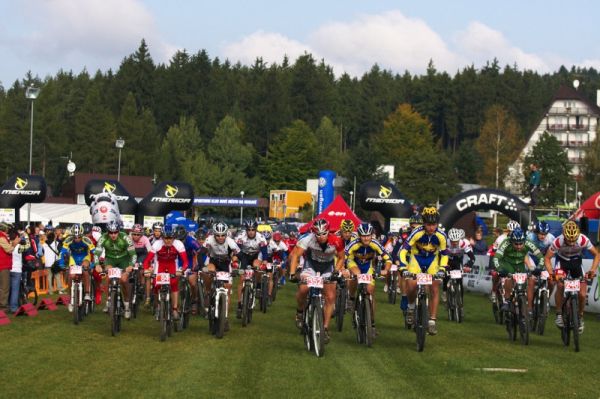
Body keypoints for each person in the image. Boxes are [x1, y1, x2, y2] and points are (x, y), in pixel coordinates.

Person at [288, 219, 345, 344]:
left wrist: (336, 271)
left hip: (328, 266)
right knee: (303, 289)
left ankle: (325, 328)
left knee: (330, 296)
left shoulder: (337, 240)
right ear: (314, 233)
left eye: (324, 233)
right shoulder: (307, 239)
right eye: (318, 234)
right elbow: (296, 255)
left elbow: (341, 258)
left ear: (328, 231)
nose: (321, 237)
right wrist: (292, 273)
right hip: (311, 265)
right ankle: (300, 312)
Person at [399, 207, 448, 335]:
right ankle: (410, 307)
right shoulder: (416, 233)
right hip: (417, 260)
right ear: (424, 223)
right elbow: (404, 251)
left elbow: (444, 254)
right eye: (428, 224)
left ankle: (432, 321)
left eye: (434, 224)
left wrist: (442, 269)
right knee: (411, 284)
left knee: (435, 287)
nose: (431, 227)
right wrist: (403, 267)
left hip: (432, 261)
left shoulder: (441, 235)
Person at [544, 221, 599, 333]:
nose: (572, 242)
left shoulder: (583, 239)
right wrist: (552, 274)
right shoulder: (558, 241)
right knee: (560, 285)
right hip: (562, 262)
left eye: (574, 240)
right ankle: (559, 313)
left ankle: (580, 316)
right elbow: (547, 258)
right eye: (569, 240)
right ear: (564, 236)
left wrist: (592, 269)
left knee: (582, 294)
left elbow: (597, 254)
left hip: (576, 263)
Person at [345, 222, 392, 337]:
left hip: (368, 266)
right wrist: (344, 269)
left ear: (372, 235)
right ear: (359, 236)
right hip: (354, 263)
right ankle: (351, 297)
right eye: (363, 236)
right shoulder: (353, 244)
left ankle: (372, 323)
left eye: (368, 235)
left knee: (370, 292)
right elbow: (344, 257)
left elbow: (388, 258)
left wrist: (386, 270)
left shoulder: (375, 244)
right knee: (357, 275)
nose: (366, 238)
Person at [493, 228, 544, 317]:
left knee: (531, 280)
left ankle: (529, 307)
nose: (519, 246)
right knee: (509, 277)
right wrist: (500, 269)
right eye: (516, 244)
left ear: (524, 241)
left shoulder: (529, 243)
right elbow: (496, 258)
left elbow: (541, 257)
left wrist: (539, 267)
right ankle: (507, 301)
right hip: (507, 263)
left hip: (520, 264)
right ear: (511, 241)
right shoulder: (506, 242)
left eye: (521, 243)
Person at [143, 225, 188, 320]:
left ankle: (175, 309)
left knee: (174, 284)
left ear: (174, 237)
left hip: (172, 264)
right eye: (165, 238)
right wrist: (146, 270)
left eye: (170, 238)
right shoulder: (157, 244)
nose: (168, 241)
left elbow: (185, 261)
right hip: (160, 264)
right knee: (156, 285)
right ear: (162, 237)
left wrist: (182, 270)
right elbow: (147, 260)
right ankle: (157, 306)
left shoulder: (178, 244)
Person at [93, 221, 136, 318]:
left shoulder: (125, 237)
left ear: (118, 231)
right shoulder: (103, 237)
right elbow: (97, 253)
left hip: (124, 260)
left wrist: (131, 265)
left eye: (115, 232)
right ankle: (108, 300)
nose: (113, 235)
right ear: (107, 232)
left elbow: (133, 254)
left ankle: (126, 305)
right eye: (111, 232)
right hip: (110, 260)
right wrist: (97, 265)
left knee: (124, 280)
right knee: (108, 277)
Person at [202, 222, 240, 331]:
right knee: (208, 271)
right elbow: (201, 253)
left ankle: (225, 317)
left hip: (225, 263)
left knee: (227, 289)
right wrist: (200, 266)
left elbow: (238, 253)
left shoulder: (230, 241)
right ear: (214, 234)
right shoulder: (209, 240)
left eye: (222, 235)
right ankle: (208, 292)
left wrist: (236, 263)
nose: (220, 238)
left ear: (226, 235)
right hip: (213, 261)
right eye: (217, 235)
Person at [234, 219, 268, 318]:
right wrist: (234, 261)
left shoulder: (261, 238)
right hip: (244, 256)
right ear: (246, 230)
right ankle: (240, 304)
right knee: (242, 279)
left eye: (253, 229)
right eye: (249, 229)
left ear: (256, 230)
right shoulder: (241, 236)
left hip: (256, 255)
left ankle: (257, 285)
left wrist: (264, 262)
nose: (251, 231)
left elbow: (265, 254)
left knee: (257, 266)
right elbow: (236, 250)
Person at [61, 224, 95, 311]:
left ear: (82, 235)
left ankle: (87, 293)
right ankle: (70, 299)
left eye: (79, 237)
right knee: (71, 276)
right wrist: (61, 263)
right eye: (75, 237)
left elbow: (95, 252)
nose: (77, 239)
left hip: (85, 257)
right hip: (74, 258)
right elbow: (62, 253)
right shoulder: (68, 240)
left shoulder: (87, 240)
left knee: (85, 269)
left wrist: (95, 263)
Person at [443, 228, 475, 303]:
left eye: (456, 241)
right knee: (446, 276)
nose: (454, 243)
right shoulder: (445, 243)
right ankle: (444, 292)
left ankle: (460, 302)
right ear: (449, 239)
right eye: (452, 241)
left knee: (460, 281)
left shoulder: (463, 243)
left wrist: (468, 265)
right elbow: (439, 255)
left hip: (457, 261)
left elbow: (472, 257)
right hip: (447, 260)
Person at [42, 226, 64, 295]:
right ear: (53, 237)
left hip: (47, 263)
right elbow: (60, 251)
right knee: (57, 276)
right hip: (55, 263)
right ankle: (59, 289)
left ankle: (50, 291)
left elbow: (42, 252)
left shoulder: (44, 244)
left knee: (49, 277)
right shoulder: (56, 243)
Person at [0, 223, 17, 310]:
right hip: (3, 265)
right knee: (4, 286)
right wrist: (14, 243)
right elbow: (9, 250)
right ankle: (3, 306)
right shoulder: (1, 237)